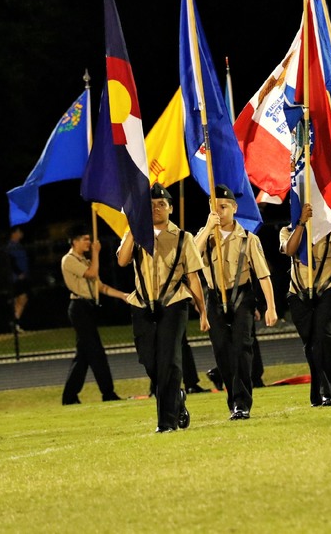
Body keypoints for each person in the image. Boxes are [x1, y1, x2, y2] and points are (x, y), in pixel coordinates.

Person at [116, 183, 209, 434]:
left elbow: (193, 277)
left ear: (170, 208)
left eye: (161, 204)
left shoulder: (183, 238)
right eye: (151, 205)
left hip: (174, 302)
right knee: (149, 360)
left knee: (169, 361)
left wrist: (202, 311)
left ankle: (166, 422)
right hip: (142, 304)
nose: (156, 208)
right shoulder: (136, 233)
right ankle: (177, 397)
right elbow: (122, 260)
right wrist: (134, 228)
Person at [195, 184, 278, 421]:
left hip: (241, 296)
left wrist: (271, 307)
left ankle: (242, 403)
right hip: (214, 297)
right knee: (222, 352)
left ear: (234, 208)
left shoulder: (248, 239)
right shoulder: (204, 237)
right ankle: (233, 399)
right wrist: (207, 229)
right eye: (214, 207)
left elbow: (263, 275)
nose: (219, 211)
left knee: (242, 349)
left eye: (224, 207)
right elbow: (191, 259)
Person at [282, 201, 331, 408]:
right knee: (311, 344)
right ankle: (318, 391)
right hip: (299, 291)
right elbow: (290, 250)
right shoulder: (287, 230)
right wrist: (301, 224)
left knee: (325, 337)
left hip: (328, 287)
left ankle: (328, 391)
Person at [60, 225, 128, 405]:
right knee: (96, 352)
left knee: (83, 355)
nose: (89, 243)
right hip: (78, 308)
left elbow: (100, 287)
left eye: (89, 240)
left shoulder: (85, 260)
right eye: (85, 239)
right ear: (74, 241)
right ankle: (108, 392)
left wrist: (122, 295)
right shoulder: (69, 260)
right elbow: (91, 274)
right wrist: (96, 253)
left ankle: (69, 396)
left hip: (87, 308)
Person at [7, 226, 30, 333]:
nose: (21, 234)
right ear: (14, 233)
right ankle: (15, 321)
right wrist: (19, 273)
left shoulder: (19, 246)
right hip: (16, 277)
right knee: (22, 298)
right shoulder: (11, 246)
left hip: (22, 276)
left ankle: (15, 322)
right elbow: (10, 261)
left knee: (20, 299)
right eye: (19, 232)